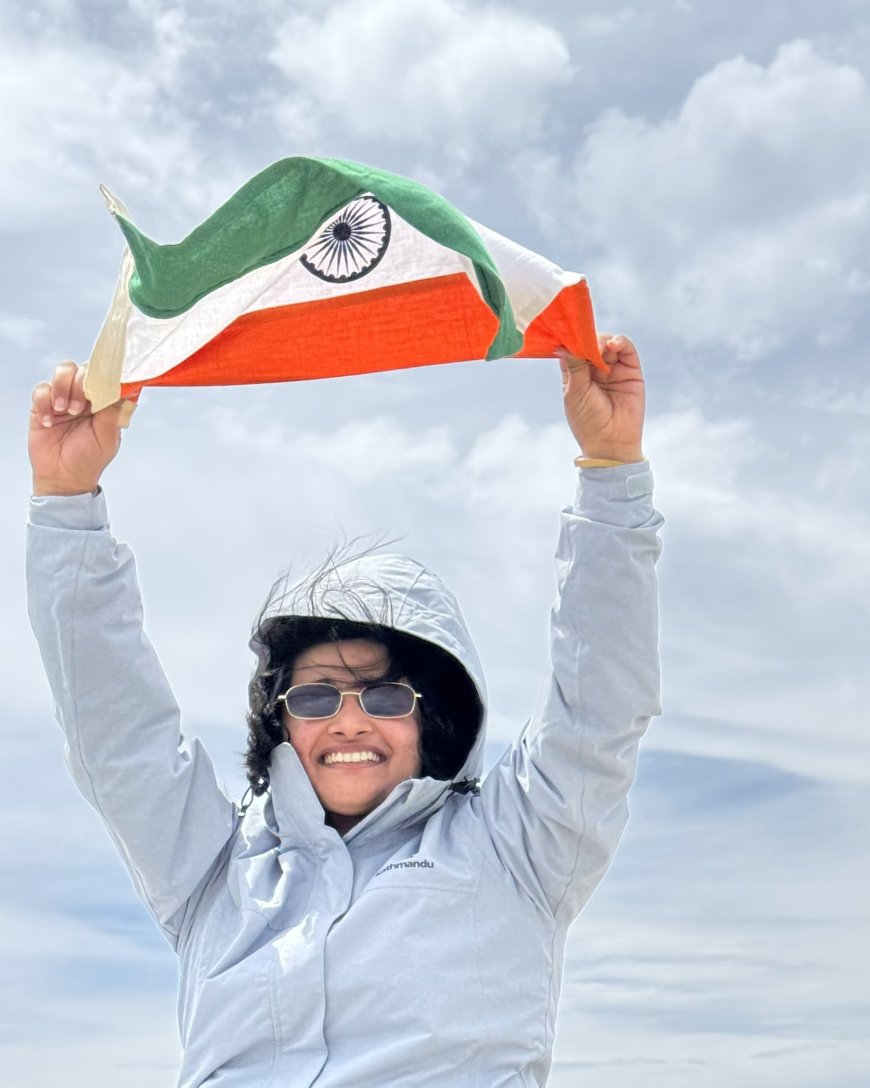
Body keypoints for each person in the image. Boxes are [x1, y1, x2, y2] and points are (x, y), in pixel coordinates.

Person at [27, 336, 662, 1087]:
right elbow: (116, 731)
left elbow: (599, 705)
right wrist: (66, 506)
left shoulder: (517, 847)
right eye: (317, 696)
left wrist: (612, 470)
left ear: (437, 718)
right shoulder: (211, 866)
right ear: (281, 723)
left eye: (387, 695)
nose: (350, 723)